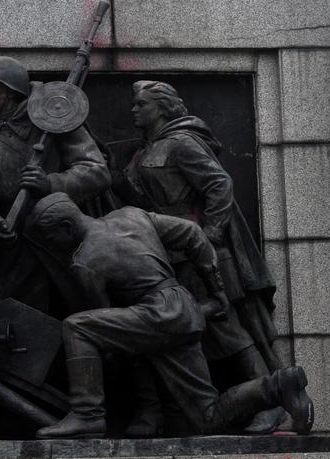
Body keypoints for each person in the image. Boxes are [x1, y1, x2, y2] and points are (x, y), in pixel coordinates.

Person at [25, 193, 313, 439]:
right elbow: (194, 234)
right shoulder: (131, 215)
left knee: (77, 327)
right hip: (184, 310)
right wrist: (216, 292)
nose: (52, 244)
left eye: (51, 237)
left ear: (66, 227)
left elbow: (104, 325)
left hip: (158, 315)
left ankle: (87, 413)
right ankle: (279, 385)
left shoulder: (85, 262)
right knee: (208, 417)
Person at [118, 79, 283, 433]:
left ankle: (272, 402)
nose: (134, 110)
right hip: (164, 253)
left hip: (196, 253)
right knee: (179, 331)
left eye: (141, 104)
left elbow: (219, 185)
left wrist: (209, 235)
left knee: (225, 328)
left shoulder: (181, 143)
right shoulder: (145, 150)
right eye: (134, 104)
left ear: (162, 107)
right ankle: (168, 411)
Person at [0, 56, 111, 312]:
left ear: (11, 91)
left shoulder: (52, 118)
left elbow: (95, 170)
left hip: (57, 233)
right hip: (7, 239)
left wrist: (51, 183)